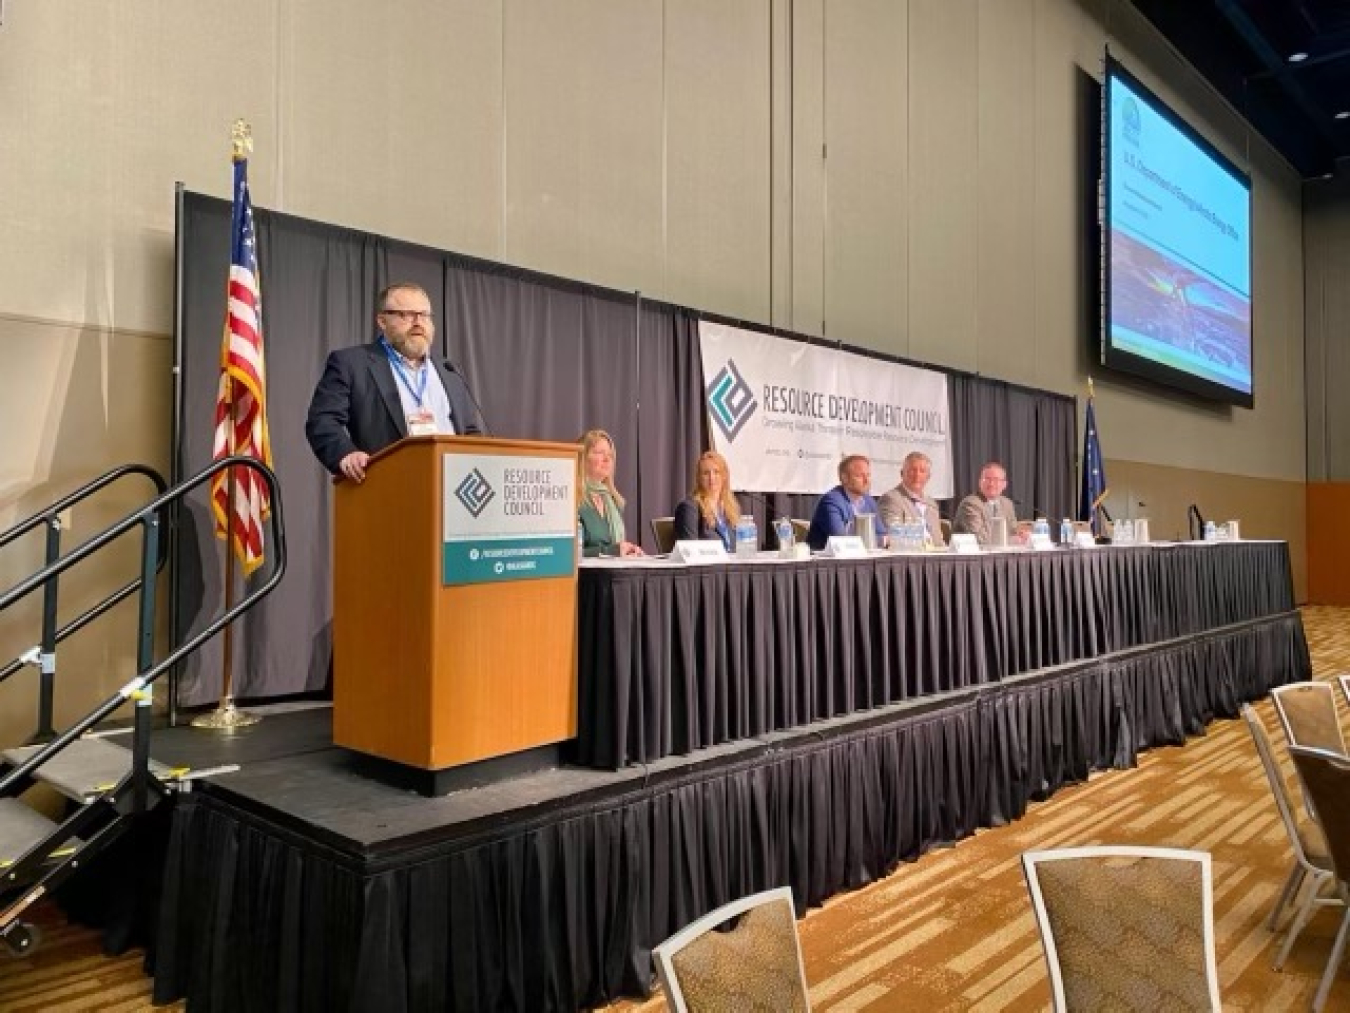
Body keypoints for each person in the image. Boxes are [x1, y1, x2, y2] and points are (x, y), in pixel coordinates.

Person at [305, 281, 484, 481]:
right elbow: (323, 421)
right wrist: (345, 454)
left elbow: (469, 430)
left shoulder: (448, 368)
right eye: (406, 314)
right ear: (382, 321)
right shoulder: (352, 363)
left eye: (424, 315)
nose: (418, 322)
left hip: (452, 484)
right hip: (388, 483)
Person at [578, 429, 644, 557]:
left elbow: (616, 546)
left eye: (610, 454)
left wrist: (628, 550)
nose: (607, 459)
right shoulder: (574, 499)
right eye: (599, 453)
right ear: (582, 457)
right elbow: (568, 554)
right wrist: (612, 551)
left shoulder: (613, 500)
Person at [806, 454, 887, 551]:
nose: (866, 480)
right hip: (827, 563)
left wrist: (880, 540)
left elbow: (882, 535)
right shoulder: (832, 501)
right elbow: (842, 540)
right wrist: (877, 541)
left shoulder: (869, 501)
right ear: (844, 478)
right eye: (860, 476)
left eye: (868, 475)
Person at [674, 451, 740, 550]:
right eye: (706, 473)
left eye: (716, 472)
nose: (711, 478)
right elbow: (689, 551)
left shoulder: (729, 509)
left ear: (724, 476)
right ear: (699, 478)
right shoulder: (689, 508)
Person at [878, 451, 946, 546]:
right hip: (909, 557)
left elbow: (938, 540)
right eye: (912, 470)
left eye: (922, 471)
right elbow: (894, 535)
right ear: (902, 473)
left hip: (935, 556)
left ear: (928, 477)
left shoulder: (931, 503)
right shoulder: (891, 499)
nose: (917, 475)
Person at [952, 461, 1019, 546]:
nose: (991, 484)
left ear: (1004, 484)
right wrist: (1012, 540)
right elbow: (978, 538)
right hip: (972, 556)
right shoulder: (970, 504)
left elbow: (1013, 532)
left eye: (996, 479)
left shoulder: (1007, 504)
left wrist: (1021, 536)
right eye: (987, 479)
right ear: (980, 482)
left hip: (999, 554)